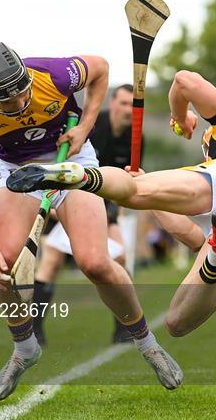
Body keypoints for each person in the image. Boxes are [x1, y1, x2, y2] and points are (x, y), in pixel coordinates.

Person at [0, 43, 183, 401]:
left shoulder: (53, 75)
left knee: (95, 263)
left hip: (73, 162)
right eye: (9, 104)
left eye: (23, 94)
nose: (21, 105)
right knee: (3, 265)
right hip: (19, 171)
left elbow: (101, 67)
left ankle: (147, 343)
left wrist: (85, 126)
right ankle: (25, 348)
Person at [7, 69, 216, 339]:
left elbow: (185, 80)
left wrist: (181, 114)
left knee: (133, 190)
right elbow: (194, 239)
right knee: (177, 322)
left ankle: (80, 175)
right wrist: (162, 206)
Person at [33, 84, 140, 345]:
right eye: (123, 104)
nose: (128, 110)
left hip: (106, 205)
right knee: (51, 261)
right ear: (112, 103)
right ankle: (34, 329)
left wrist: (117, 213)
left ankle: (124, 327)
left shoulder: (136, 135)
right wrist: (60, 205)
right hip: (71, 198)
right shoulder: (94, 126)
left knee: (120, 258)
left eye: (132, 105)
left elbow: (132, 178)